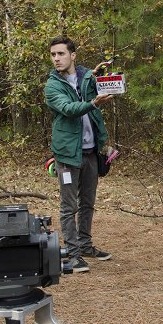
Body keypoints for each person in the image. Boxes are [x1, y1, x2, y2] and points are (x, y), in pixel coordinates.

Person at [44, 36, 114, 273]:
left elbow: (102, 86)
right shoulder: (52, 86)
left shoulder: (85, 77)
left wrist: (102, 77)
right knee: (68, 205)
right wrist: (94, 102)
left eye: (61, 54)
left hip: (91, 152)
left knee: (88, 202)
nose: (56, 59)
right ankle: (72, 254)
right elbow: (68, 109)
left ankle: (85, 245)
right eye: (53, 54)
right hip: (67, 155)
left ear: (73, 55)